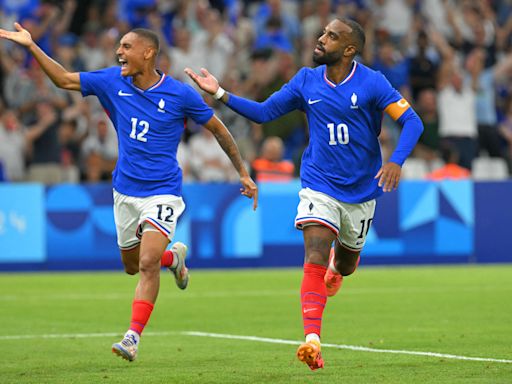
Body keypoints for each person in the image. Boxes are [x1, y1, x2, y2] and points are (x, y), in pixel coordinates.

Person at [0, 23, 258, 362]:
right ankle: (174, 258)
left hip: (163, 191)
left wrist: (242, 171)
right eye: (119, 46)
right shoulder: (112, 82)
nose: (119, 52)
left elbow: (217, 128)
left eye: (126, 46)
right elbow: (63, 79)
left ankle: (132, 337)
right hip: (125, 190)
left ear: (148, 52)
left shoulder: (180, 94)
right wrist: (32, 46)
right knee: (132, 265)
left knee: (147, 262)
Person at [185, 17, 423, 370]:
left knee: (344, 262)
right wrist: (220, 93)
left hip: (360, 190)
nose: (321, 38)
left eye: (331, 36)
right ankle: (313, 340)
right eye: (323, 32)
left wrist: (397, 161)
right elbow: (264, 113)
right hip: (319, 182)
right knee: (314, 251)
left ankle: (339, 270)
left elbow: (412, 121)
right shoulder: (306, 80)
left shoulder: (373, 82)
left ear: (349, 49)